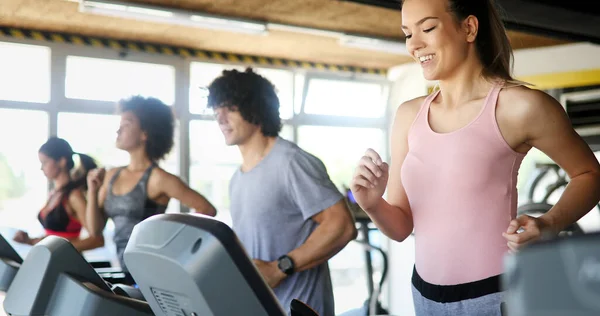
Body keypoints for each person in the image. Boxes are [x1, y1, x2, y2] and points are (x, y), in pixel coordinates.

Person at [350, 0, 600, 315]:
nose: (414, 45)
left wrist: (550, 222)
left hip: (496, 295)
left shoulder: (519, 107)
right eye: (406, 34)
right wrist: (371, 203)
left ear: (469, 27)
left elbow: (590, 174)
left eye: (427, 28)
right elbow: (400, 227)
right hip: (424, 296)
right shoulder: (408, 116)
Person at [206, 68, 357, 316]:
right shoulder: (238, 178)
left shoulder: (290, 162)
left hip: (298, 309)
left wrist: (279, 269)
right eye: (216, 110)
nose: (220, 118)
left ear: (254, 109)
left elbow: (341, 225)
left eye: (230, 108)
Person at [86, 95, 217, 283]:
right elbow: (95, 230)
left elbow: (207, 210)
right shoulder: (111, 175)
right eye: (120, 124)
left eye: (127, 124)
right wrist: (92, 191)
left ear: (145, 133)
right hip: (124, 270)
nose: (118, 130)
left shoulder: (159, 179)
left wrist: (172, 242)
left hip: (152, 274)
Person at [13, 137, 104, 252]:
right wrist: (30, 240)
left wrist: (56, 248)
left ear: (62, 161)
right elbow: (53, 237)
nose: (42, 168)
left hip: (67, 263)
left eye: (45, 162)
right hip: (50, 260)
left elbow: (97, 240)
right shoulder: (54, 194)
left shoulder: (74, 196)